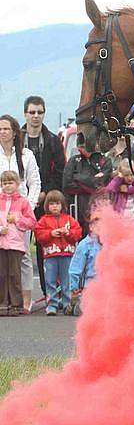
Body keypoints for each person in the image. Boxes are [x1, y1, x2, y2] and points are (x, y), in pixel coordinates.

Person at [21, 95, 66, 298]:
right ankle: (18, 293)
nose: (36, 116)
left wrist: (44, 194)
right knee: (19, 247)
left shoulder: (53, 141)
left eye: (40, 112)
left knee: (44, 247)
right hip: (20, 202)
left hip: (45, 201)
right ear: (25, 114)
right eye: (32, 112)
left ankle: (50, 292)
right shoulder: (17, 139)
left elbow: (59, 171)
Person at [0, 115, 41, 313]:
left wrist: (28, 207)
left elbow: (35, 183)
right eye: (0, 129)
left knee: (23, 257)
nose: (3, 132)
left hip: (21, 212)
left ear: (14, 131)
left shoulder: (26, 155)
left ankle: (25, 299)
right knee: (2, 259)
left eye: (6, 129)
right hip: (0, 211)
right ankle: (5, 300)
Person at [34, 190, 82, 316]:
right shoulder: (43, 221)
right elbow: (39, 236)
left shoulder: (69, 220)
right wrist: (50, 234)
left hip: (67, 254)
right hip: (50, 255)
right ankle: (51, 304)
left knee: (67, 281)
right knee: (50, 280)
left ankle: (67, 303)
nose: (54, 206)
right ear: (47, 206)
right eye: (51, 204)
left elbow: (77, 234)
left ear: (62, 205)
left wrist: (68, 233)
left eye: (57, 203)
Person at [0, 171, 36, 316]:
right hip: (1, 243)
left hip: (16, 244)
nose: (7, 186)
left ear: (17, 184)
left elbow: (31, 222)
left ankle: (16, 304)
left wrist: (17, 220)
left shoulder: (23, 201)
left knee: (15, 275)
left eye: (10, 183)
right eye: (4, 183)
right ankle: (3, 304)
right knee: (2, 274)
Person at [63, 144, 113, 234]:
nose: (84, 149)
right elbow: (67, 185)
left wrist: (77, 178)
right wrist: (91, 181)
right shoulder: (73, 161)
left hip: (98, 207)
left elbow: (100, 184)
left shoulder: (105, 161)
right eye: (82, 146)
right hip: (77, 208)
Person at [68, 213, 102, 316]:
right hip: (90, 284)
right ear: (91, 227)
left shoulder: (110, 243)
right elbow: (75, 268)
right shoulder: (85, 245)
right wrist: (74, 288)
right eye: (98, 225)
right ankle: (76, 305)